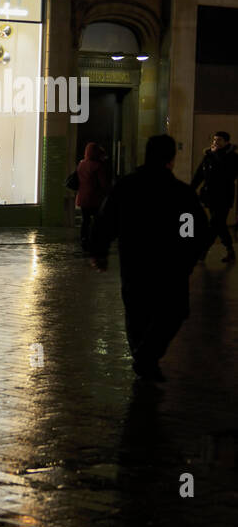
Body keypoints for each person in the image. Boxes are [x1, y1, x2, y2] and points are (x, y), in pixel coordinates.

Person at [92, 135, 207, 382]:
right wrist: (188, 259)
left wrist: (100, 250)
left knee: (137, 311)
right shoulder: (180, 193)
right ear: (171, 159)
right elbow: (191, 230)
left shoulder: (127, 187)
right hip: (171, 265)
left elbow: (107, 220)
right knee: (174, 310)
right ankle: (147, 357)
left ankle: (143, 356)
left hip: (135, 261)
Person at [191, 130, 238, 263]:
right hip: (210, 196)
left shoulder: (233, 157)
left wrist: (215, 154)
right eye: (214, 140)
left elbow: (228, 173)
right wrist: (191, 189)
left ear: (227, 142)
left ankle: (202, 251)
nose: (215, 143)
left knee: (214, 224)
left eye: (219, 140)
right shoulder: (209, 156)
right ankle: (230, 251)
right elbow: (200, 174)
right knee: (219, 225)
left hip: (224, 196)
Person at [75, 142, 112, 254]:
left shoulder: (81, 164)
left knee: (85, 220)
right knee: (97, 220)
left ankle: (84, 240)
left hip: (82, 197)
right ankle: (95, 241)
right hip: (95, 198)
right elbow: (103, 183)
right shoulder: (98, 166)